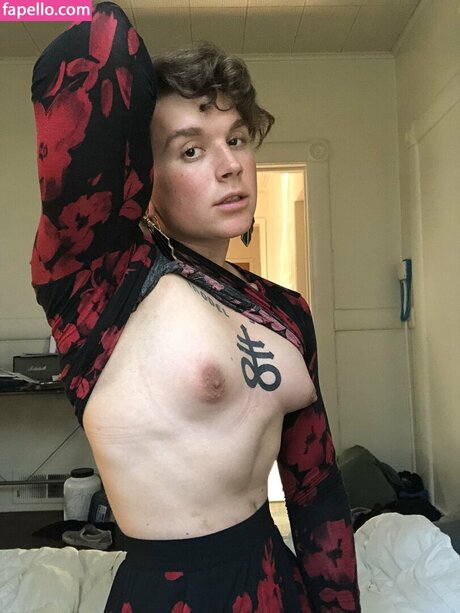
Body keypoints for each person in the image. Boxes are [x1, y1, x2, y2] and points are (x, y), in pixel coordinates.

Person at [31, 2, 360, 611]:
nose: (230, 165)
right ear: (142, 178)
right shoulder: (99, 286)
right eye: (190, 150)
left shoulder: (287, 310)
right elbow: (105, 38)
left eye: (236, 139)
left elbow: (315, 486)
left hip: (280, 582)